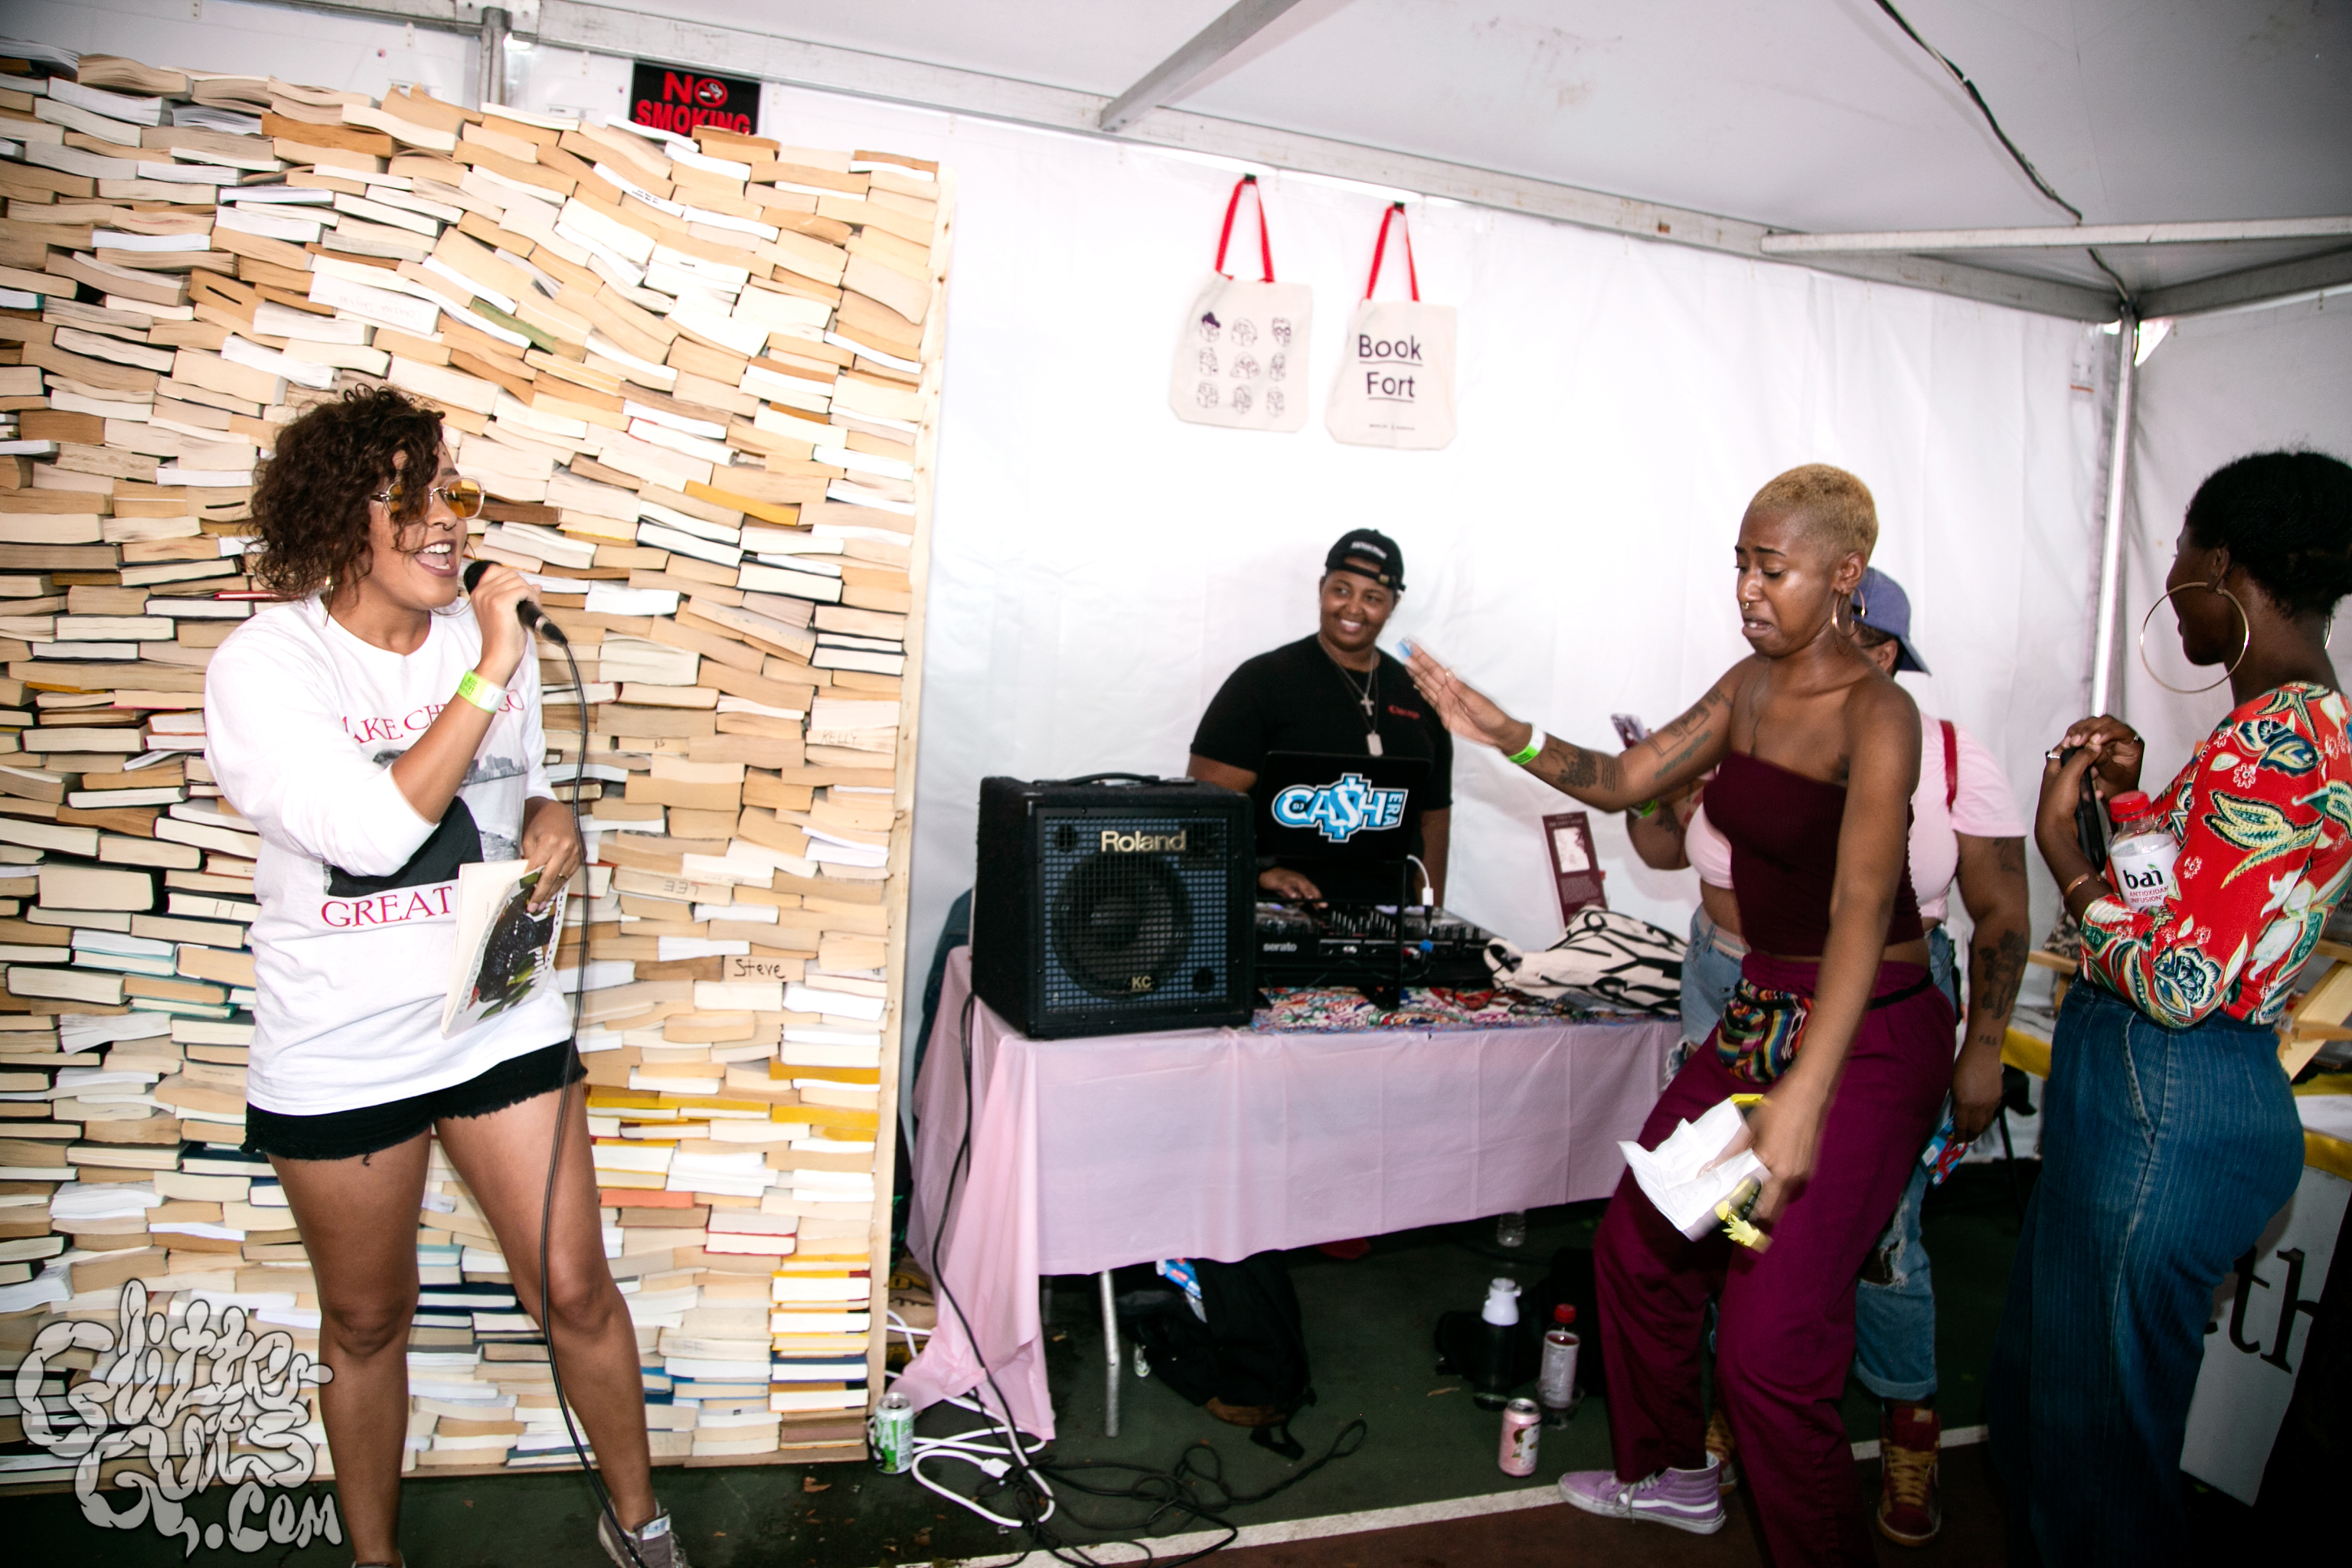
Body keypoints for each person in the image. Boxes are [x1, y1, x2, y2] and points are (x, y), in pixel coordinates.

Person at [1410, 464, 1955, 1565]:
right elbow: (1626, 778)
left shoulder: (1880, 712)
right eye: (1742, 564)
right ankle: (1672, 1475)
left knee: (1769, 1354)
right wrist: (1506, 732)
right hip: (1763, 1012)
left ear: (1844, 574)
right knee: (1642, 1247)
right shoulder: (1750, 685)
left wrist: (1802, 1096)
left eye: (1773, 568)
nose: (1748, 588)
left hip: (1866, 1037)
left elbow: (1860, 906)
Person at [206, 388, 682, 1568]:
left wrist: (553, 816)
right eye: (407, 497)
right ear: (337, 518)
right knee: (369, 1319)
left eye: (452, 493)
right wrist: (489, 668)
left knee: (574, 1284)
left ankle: (642, 1530)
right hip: (344, 1043)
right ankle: (377, 1559)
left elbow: (513, 785)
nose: (444, 520)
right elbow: (371, 836)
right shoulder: (268, 666)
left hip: (492, 1010)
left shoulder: (482, 643)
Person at [1991, 450, 2352, 1566]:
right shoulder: (2288, 729)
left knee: (2099, 1465)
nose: (2172, 582)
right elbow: (2194, 918)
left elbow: (2180, 984)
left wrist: (2065, 859)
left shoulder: (2273, 746)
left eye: (2183, 557)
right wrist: (2136, 808)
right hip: (2169, 1099)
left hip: (2171, 1098)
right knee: (2052, 1409)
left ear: (2225, 566)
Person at [1625, 566, 2030, 1545]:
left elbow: (2003, 913)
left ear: (1884, 653)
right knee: (1727, 1221)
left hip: (1871, 1005)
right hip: (1733, 990)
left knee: (1882, 1238)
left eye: (1868, 645)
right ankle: (1725, 1425)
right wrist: (1656, 792)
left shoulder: (1944, 751)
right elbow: (1666, 850)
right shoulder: (1752, 723)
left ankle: (1906, 1417)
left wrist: (1983, 1046)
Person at [1188, 528, 1452, 902]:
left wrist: (1430, 917)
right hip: (1282, 912)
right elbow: (1203, 808)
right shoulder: (1262, 682)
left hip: (1387, 920)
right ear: (1321, 588)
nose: (1353, 609)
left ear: (1394, 604)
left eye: (1373, 597)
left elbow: (1434, 819)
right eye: (1341, 590)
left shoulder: (1420, 696)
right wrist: (1260, 870)